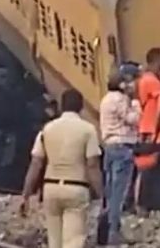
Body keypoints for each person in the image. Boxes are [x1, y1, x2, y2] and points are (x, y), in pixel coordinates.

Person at [22, 90, 104, 248]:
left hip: (50, 189)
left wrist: (26, 194)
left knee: (54, 242)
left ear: (61, 105)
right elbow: (92, 165)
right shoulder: (87, 130)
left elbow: (36, 163)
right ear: (81, 107)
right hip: (76, 188)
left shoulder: (47, 129)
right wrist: (101, 194)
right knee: (73, 241)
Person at [100, 73, 141, 245]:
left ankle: (104, 230)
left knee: (110, 191)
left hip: (109, 146)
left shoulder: (106, 99)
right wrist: (136, 103)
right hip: (122, 146)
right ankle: (113, 233)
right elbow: (133, 119)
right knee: (119, 192)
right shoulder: (121, 99)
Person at [136, 48, 160, 215]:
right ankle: (153, 204)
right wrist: (156, 129)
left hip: (147, 128)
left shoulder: (145, 79)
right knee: (156, 171)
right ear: (156, 60)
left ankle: (145, 204)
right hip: (155, 131)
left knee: (149, 170)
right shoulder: (152, 81)